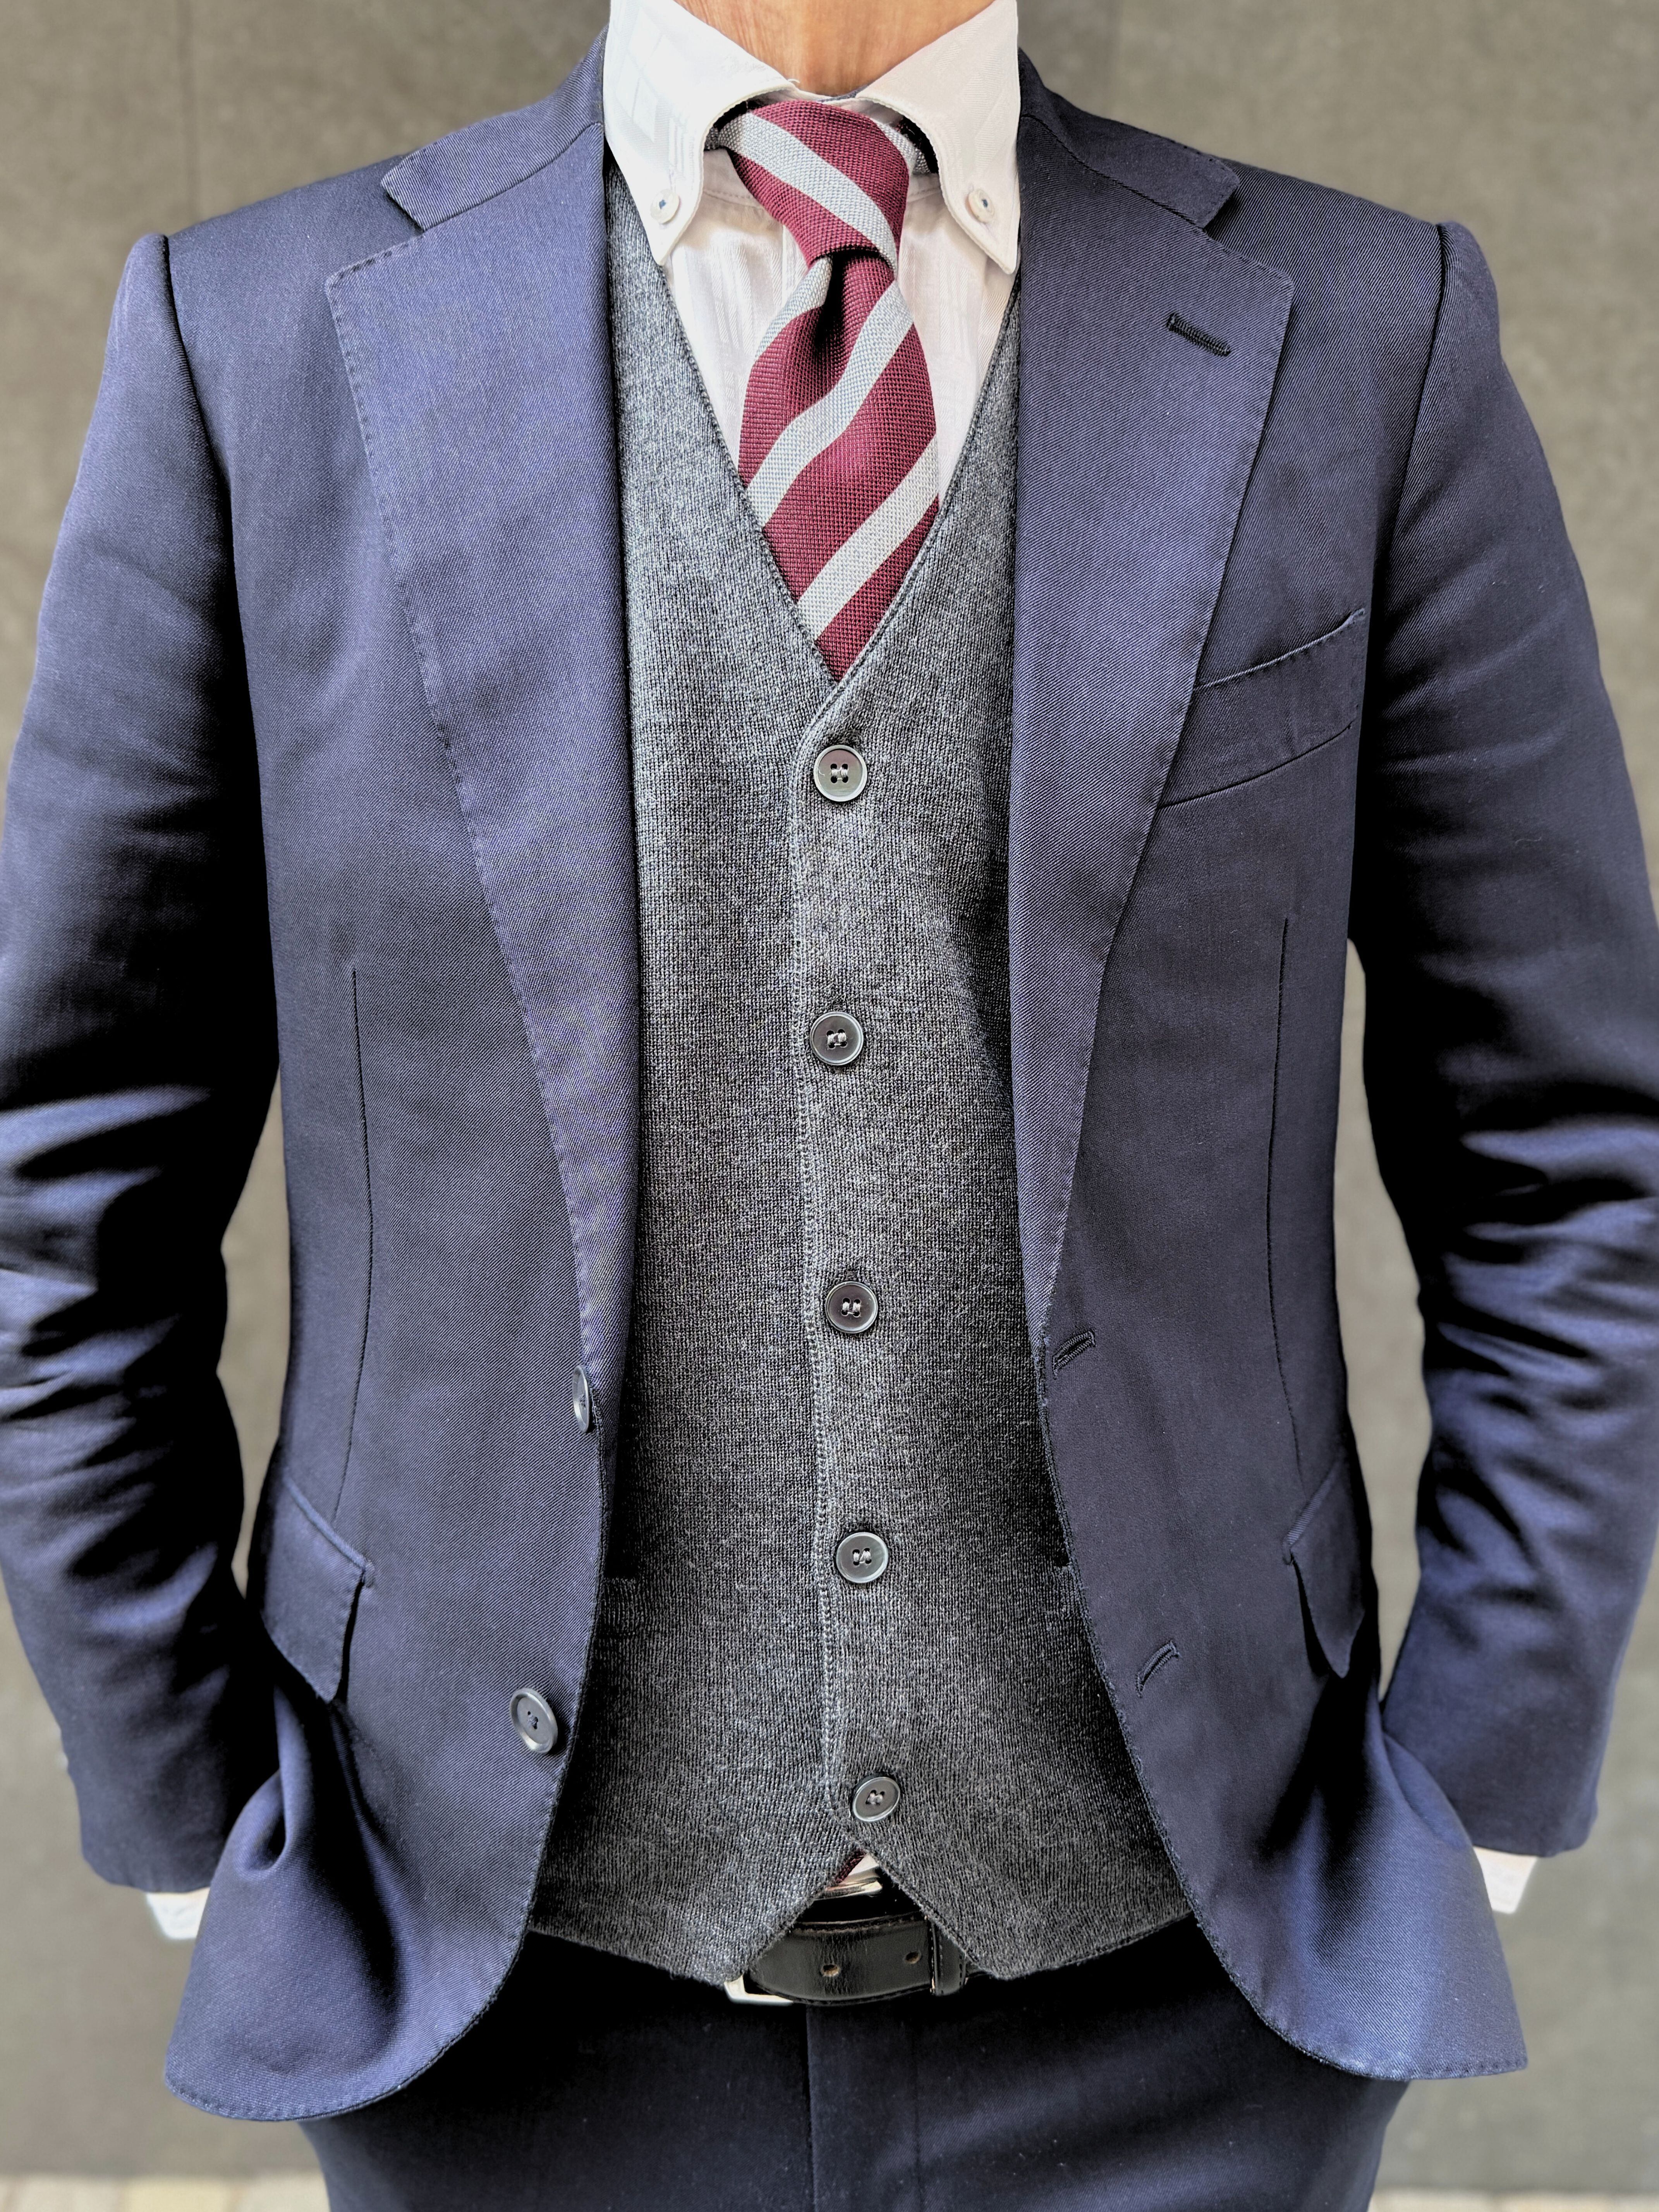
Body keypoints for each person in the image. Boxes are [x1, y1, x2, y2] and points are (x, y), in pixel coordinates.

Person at [2, 0, 1656, 2203]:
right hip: (485, 1989)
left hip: (1197, 1986)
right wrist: (185, 1783)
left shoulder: (1362, 336)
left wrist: (1481, 1766)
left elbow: (1574, 1144)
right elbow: (61, 1157)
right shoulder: (257, 343)